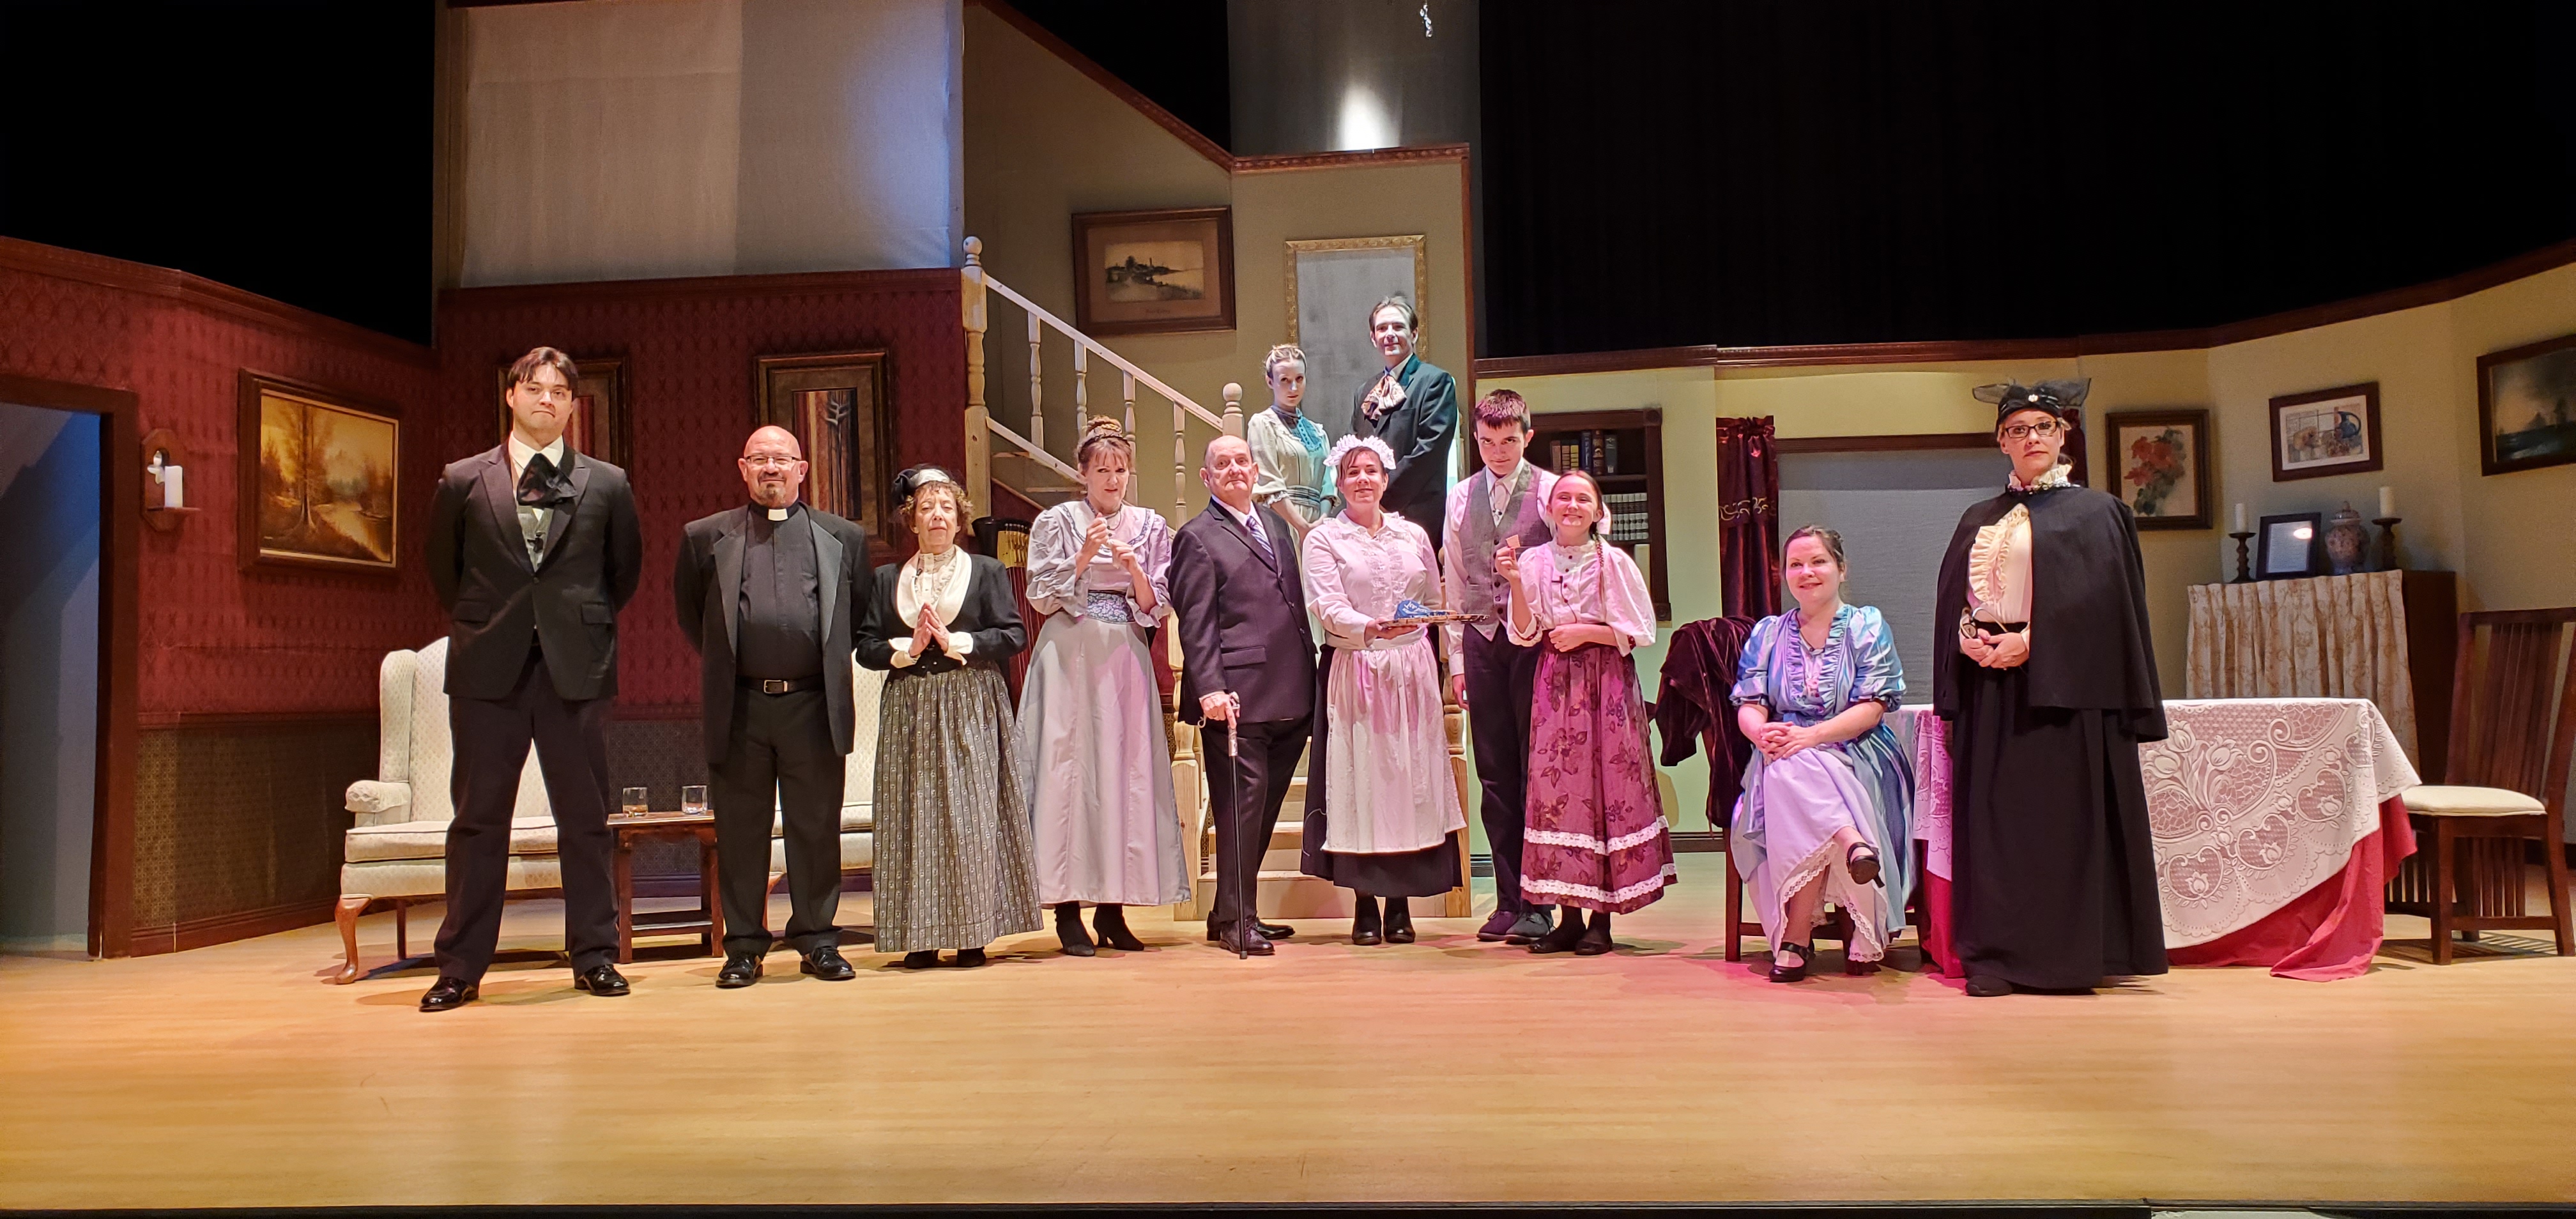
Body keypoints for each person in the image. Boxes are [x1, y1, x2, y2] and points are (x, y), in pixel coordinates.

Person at [417, 346, 643, 1012]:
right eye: (534, 388)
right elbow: (444, 572)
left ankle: (596, 956)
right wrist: (499, 623)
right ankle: (460, 967)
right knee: (478, 820)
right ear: (511, 396)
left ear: (574, 406)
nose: (547, 400)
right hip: (490, 666)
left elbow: (621, 572)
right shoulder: (463, 480)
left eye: (560, 392)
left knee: (585, 820)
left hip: (576, 667)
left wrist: (570, 624)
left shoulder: (608, 483)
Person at [1933, 379, 2168, 998]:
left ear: (2063, 436)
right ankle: (1996, 957)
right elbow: (1958, 597)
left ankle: (2065, 960)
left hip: (2066, 696)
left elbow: (2110, 611)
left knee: (2061, 830)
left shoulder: (2100, 514)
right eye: (2017, 429)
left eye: (2043, 427)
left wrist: (2034, 644)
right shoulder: (1976, 517)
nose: (2030, 438)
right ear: (2000, 442)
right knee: (1997, 831)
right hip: (1993, 694)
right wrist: (1967, 638)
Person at [672, 425, 869, 988]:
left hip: (812, 703)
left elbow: (851, 620)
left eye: (782, 459)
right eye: (760, 460)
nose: (771, 469)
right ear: (743, 469)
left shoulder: (842, 538)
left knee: (814, 827)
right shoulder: (704, 537)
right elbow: (696, 619)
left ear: (802, 469)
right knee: (741, 830)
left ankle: (817, 941)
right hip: (740, 707)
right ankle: (744, 947)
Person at [1019, 418, 1188, 957]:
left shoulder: (1149, 525)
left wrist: (1136, 570)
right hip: (1069, 650)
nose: (1113, 481)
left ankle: (1113, 909)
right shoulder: (1059, 521)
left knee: (1122, 775)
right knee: (1069, 774)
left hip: (1123, 655)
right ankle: (1067, 909)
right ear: (1083, 473)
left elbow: (1156, 603)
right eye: (1103, 471)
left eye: (1121, 471)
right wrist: (1085, 557)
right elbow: (1040, 596)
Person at [855, 466, 1036, 969]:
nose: (936, 516)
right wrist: (905, 648)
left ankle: (973, 933)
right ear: (911, 520)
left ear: (960, 519)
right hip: (909, 703)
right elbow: (866, 646)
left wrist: (960, 642)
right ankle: (918, 936)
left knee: (969, 818)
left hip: (969, 700)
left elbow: (1013, 636)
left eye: (946, 508)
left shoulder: (986, 572)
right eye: (926, 508)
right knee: (910, 818)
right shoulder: (887, 579)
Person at [1298, 435, 1467, 945]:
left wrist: (1431, 639)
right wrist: (1371, 628)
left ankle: (1400, 904)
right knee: (1363, 780)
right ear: (1339, 482)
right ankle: (1366, 904)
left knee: (1408, 779)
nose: (1363, 480)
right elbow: (1325, 604)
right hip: (1359, 666)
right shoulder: (1324, 539)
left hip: (1412, 669)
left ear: (1386, 478)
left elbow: (1433, 597)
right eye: (1352, 472)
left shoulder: (1412, 534)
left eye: (1371, 470)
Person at [1729, 526, 1914, 983]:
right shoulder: (1768, 633)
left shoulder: (1866, 625)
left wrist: (1811, 739)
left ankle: (1795, 937)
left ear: (1840, 569)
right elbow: (1749, 703)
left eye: (1818, 562)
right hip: (1784, 752)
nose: (1806, 573)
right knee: (1788, 766)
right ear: (1783, 574)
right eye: (1796, 565)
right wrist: (1762, 735)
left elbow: (1873, 708)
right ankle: (1851, 841)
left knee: (1794, 769)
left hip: (1858, 751)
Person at [1500, 471, 1673, 954]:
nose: (1572, 506)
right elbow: (1525, 632)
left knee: (1604, 790)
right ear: (1549, 509)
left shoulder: (1613, 562)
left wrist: (1587, 634)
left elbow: (1640, 630)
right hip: (1556, 684)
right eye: (1563, 498)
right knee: (1559, 791)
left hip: (1607, 683)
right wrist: (1515, 583)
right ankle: (1569, 918)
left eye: (1582, 499)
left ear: (1598, 511)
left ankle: (1602, 921)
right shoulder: (1534, 561)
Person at [1169, 436, 1315, 956]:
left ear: (1255, 471)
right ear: (1207, 478)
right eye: (1221, 464)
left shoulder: (1276, 525)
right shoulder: (1196, 537)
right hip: (1235, 698)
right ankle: (1238, 921)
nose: (1233, 470)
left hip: (1291, 692)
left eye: (1241, 462)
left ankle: (1229, 909)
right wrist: (1208, 687)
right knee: (1239, 809)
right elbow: (1196, 622)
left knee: (1263, 810)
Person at [1441, 388, 1561, 944]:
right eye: (1487, 442)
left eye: (1509, 441)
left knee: (1536, 767)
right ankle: (1510, 899)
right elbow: (1455, 577)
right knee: (1494, 773)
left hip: (1532, 641)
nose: (1498, 452)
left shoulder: (1551, 492)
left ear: (1527, 437)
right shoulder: (1461, 496)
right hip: (1482, 643)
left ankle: (1543, 900)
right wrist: (1457, 660)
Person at [1347, 295, 1458, 555]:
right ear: (1373, 338)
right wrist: (1363, 501)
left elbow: (1429, 450)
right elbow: (1354, 448)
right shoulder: (1365, 391)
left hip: (1414, 513)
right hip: (1368, 519)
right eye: (1382, 328)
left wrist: (1382, 498)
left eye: (1398, 327)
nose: (1390, 334)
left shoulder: (1435, 382)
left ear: (1415, 334)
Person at [1245, 343, 1332, 546]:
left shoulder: (1318, 432)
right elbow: (1269, 481)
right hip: (1281, 522)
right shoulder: (1263, 424)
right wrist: (1301, 527)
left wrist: (1322, 522)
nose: (1293, 388)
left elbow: (1329, 483)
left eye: (1299, 379)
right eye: (1285, 380)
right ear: (1270, 381)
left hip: (1319, 525)